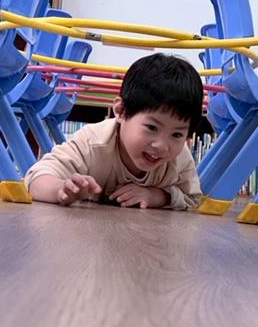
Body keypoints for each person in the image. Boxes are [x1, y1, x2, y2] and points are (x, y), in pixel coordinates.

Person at [25, 53, 204, 210]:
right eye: (152, 127)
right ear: (121, 111)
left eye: (177, 134)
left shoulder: (179, 158)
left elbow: (193, 198)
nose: (162, 146)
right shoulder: (92, 142)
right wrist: (60, 189)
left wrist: (155, 196)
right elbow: (36, 177)